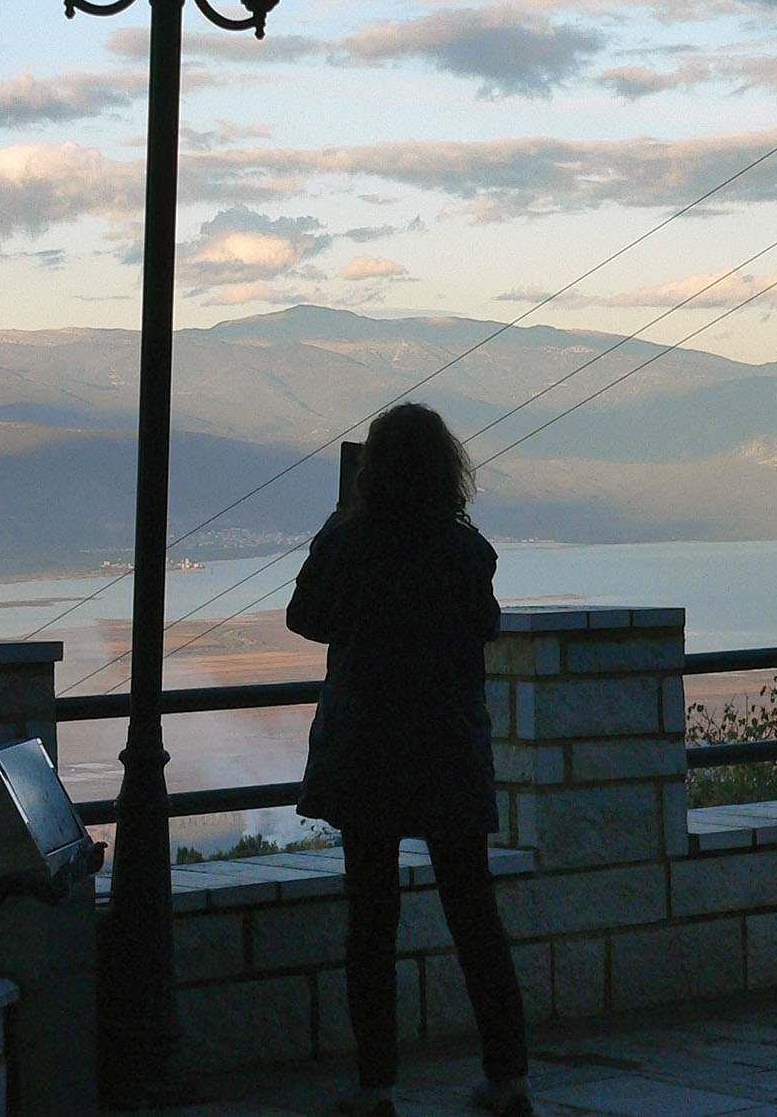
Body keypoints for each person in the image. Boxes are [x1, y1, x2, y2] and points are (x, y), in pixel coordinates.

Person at [287, 403, 531, 1117]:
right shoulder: (465, 549)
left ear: (373, 470)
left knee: (371, 920)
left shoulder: (352, 542)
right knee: (474, 913)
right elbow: (483, 626)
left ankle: (375, 1086)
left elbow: (307, 617)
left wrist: (336, 524)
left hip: (368, 751)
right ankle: (509, 1075)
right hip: (449, 750)